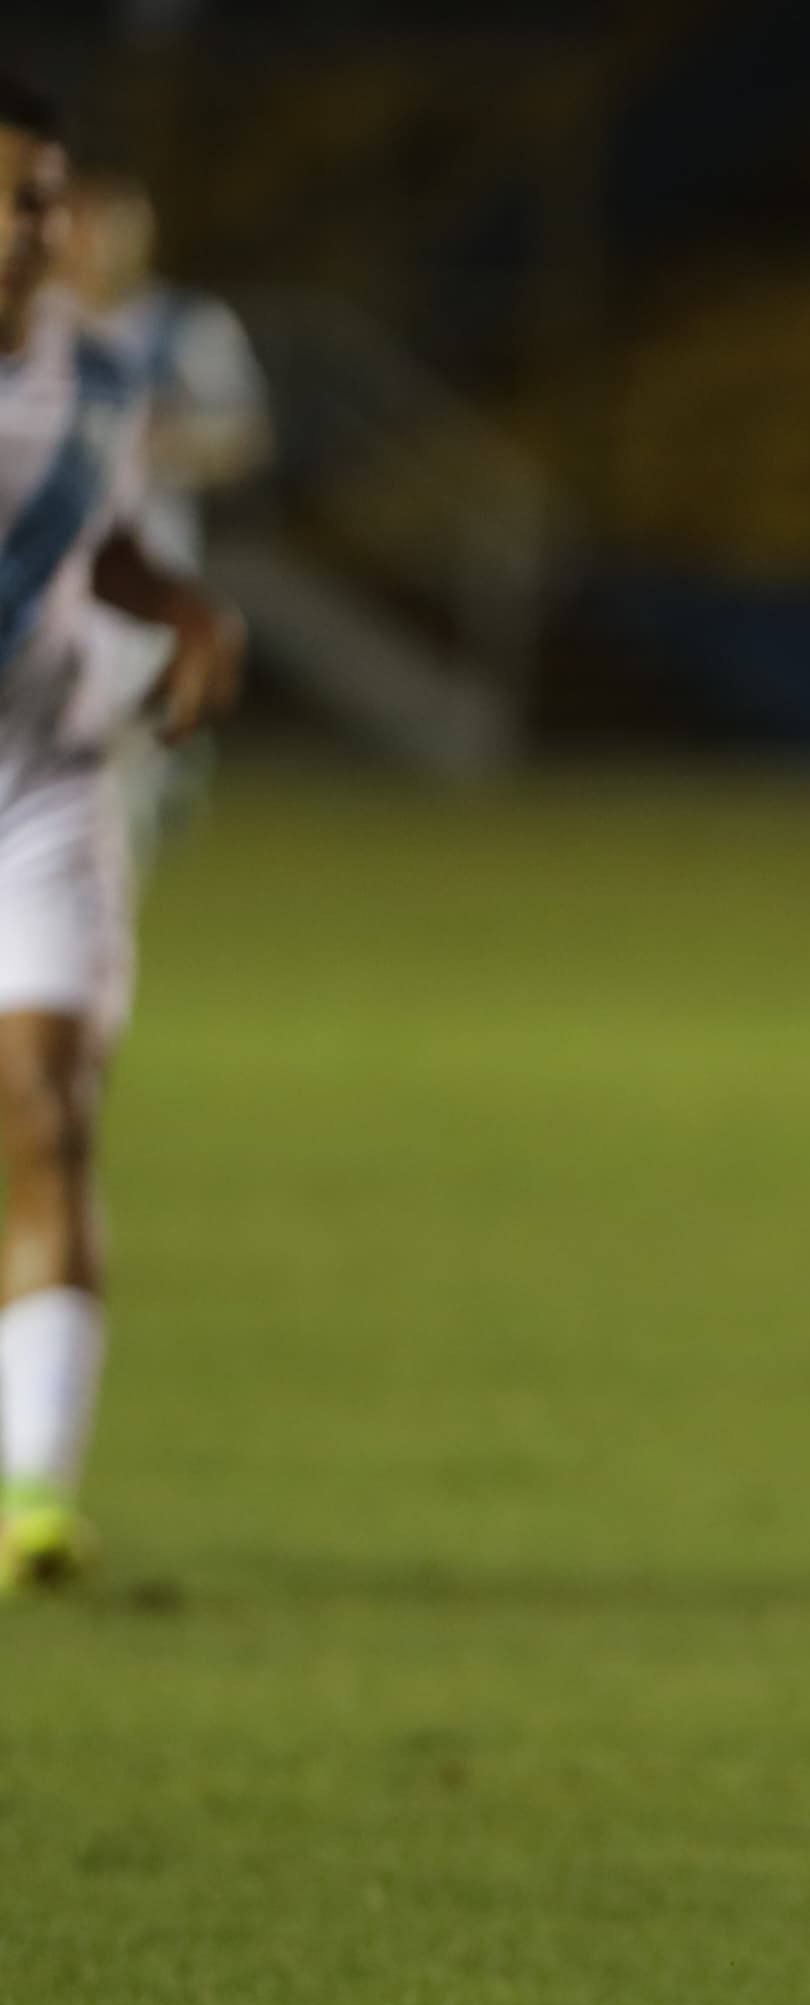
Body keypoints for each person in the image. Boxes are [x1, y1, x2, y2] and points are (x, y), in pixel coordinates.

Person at [0, 80, 245, 1592]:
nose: (32, 227)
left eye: (42, 198)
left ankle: (33, 1493)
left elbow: (113, 546)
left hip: (43, 782)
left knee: (49, 1105)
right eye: (9, 197)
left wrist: (190, 616)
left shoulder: (96, 382)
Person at [57, 166, 266, 879]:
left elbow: (241, 437)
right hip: (38, 572)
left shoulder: (185, 326)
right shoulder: (32, 322)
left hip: (140, 577)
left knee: (113, 772)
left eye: (117, 227)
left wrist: (156, 443)